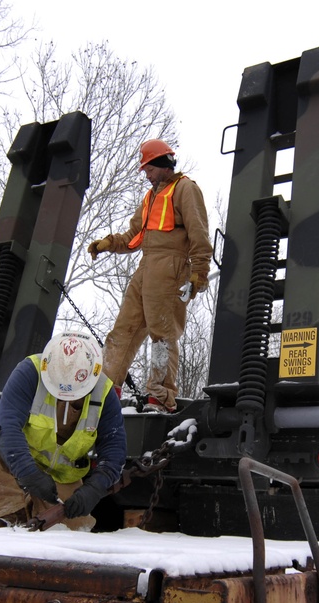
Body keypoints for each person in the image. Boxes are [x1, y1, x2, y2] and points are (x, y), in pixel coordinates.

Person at [0, 331, 126, 529]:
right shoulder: (31, 371)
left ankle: (35, 507)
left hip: (59, 480)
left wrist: (94, 488)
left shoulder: (104, 393)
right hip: (15, 459)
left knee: (75, 534)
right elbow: (6, 426)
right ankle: (8, 514)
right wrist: (28, 473)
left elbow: (114, 451)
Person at [87, 139, 213, 413]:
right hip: (145, 268)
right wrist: (109, 243)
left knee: (163, 334)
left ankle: (160, 396)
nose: (146, 174)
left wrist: (198, 272)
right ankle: (105, 394)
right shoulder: (150, 197)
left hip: (171, 268)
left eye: (148, 168)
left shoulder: (185, 189)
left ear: (162, 165)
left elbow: (199, 233)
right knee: (123, 331)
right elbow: (134, 237)